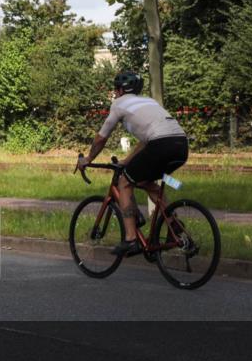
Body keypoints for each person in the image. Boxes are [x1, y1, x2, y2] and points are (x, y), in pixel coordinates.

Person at [77, 71, 189, 257]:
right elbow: (145, 140)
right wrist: (127, 161)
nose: (115, 93)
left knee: (124, 182)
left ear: (120, 90)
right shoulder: (149, 102)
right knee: (146, 181)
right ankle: (174, 226)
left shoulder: (119, 104)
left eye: (115, 89)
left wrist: (88, 159)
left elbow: (101, 137)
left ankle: (131, 239)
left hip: (159, 145)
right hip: (180, 145)